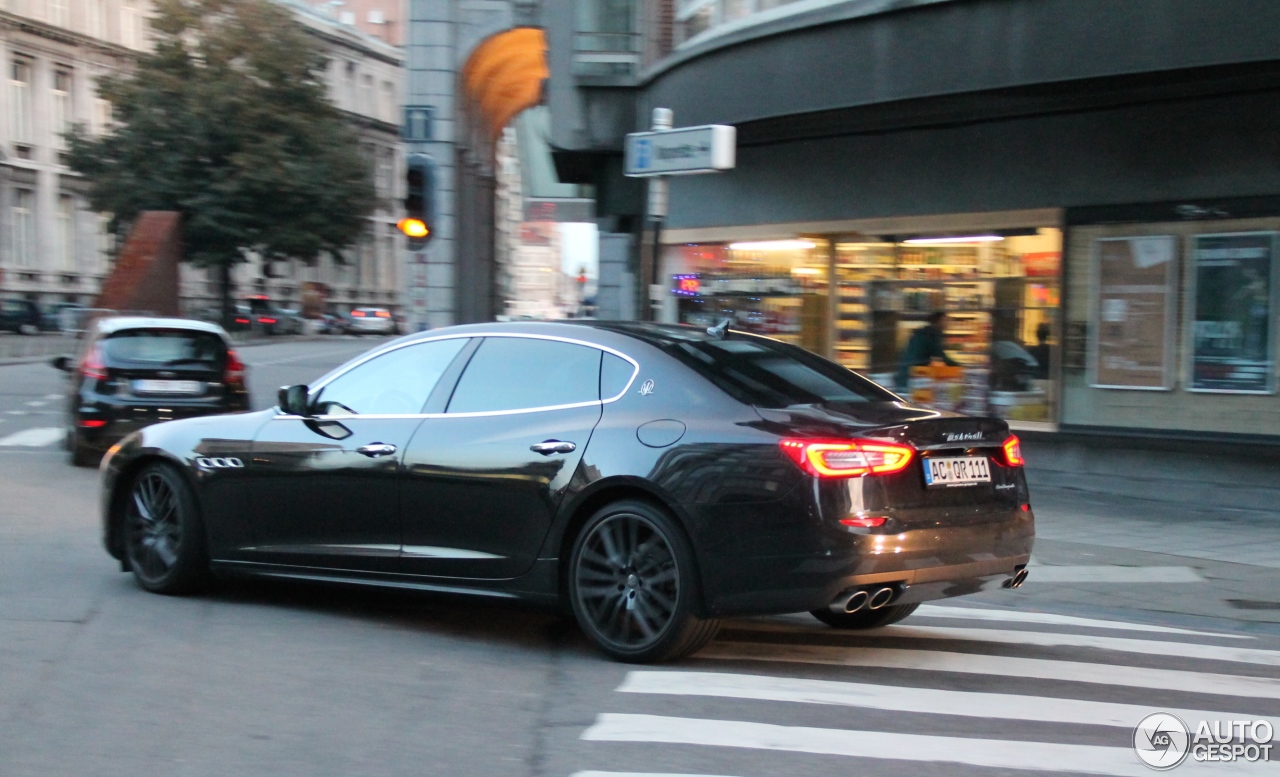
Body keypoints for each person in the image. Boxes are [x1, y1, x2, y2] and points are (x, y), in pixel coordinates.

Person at [896, 310, 957, 391]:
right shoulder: (932, 334)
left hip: (905, 373)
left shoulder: (922, 332)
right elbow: (941, 356)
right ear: (940, 320)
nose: (948, 323)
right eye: (947, 320)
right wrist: (960, 367)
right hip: (913, 375)